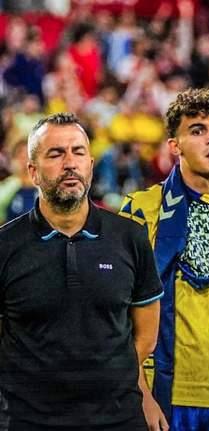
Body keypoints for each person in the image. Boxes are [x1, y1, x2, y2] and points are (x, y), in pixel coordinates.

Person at [119, 89, 209, 431]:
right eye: (198, 130)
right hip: (163, 395)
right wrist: (141, 394)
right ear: (175, 145)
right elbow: (123, 311)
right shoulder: (140, 210)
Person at [0, 112, 162, 430]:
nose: (70, 163)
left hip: (117, 419)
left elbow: (146, 335)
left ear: (90, 164)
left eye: (78, 152)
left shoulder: (130, 237)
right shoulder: (6, 245)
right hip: (27, 421)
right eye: (56, 154)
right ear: (32, 172)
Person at [0, 138, 37, 224]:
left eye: (27, 155)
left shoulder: (45, 184)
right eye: (20, 156)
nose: (25, 160)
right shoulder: (8, 185)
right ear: (14, 159)